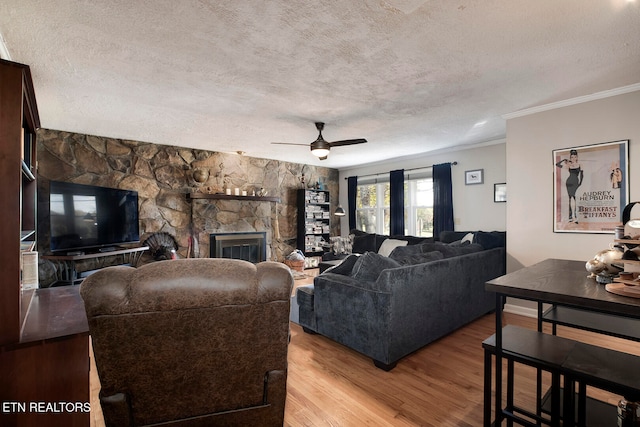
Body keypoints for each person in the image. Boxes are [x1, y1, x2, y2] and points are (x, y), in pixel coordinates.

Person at [555, 149, 583, 223]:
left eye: (574, 157)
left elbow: (582, 175)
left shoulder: (580, 165)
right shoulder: (568, 165)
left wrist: (580, 183)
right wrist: (563, 160)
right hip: (569, 182)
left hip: (576, 182)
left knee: (576, 200)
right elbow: (557, 164)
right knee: (570, 199)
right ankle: (570, 217)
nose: (573, 158)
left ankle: (576, 217)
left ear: (577, 157)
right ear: (570, 158)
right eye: (571, 157)